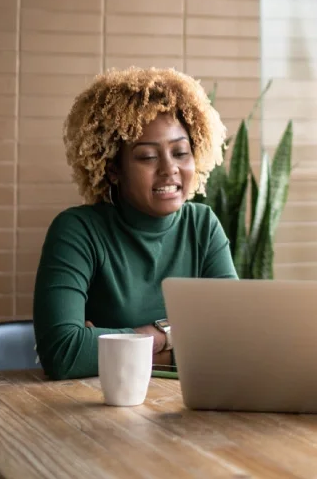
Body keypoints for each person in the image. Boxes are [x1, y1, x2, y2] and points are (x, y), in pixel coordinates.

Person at [33, 67, 237, 380]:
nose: (170, 169)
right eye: (147, 157)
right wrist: (176, 339)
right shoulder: (77, 231)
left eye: (180, 152)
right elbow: (64, 353)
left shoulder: (203, 226)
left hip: (187, 409)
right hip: (100, 411)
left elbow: (234, 340)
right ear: (113, 168)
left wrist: (125, 342)